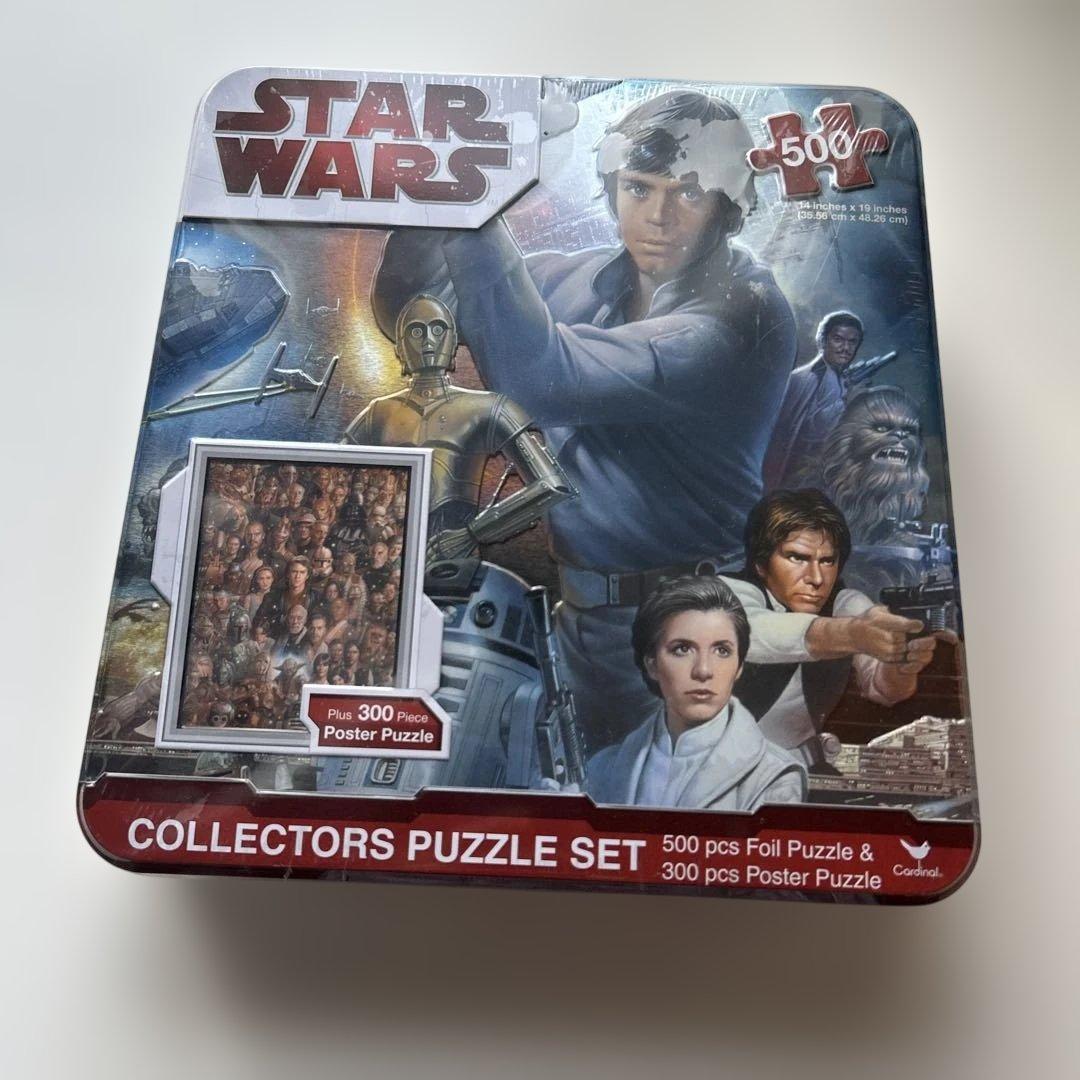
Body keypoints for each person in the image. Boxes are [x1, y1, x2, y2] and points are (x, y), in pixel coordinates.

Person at [372, 89, 795, 748]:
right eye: (638, 187)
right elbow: (414, 312)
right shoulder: (577, 280)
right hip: (580, 621)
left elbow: (541, 380)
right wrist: (446, 183)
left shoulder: (746, 317)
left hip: (691, 627)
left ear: (730, 206)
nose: (656, 216)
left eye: (687, 192)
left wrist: (476, 188)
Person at [724, 489, 946, 771]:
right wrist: (853, 634)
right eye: (797, 558)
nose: (816, 578)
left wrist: (901, 664)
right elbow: (753, 632)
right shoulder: (726, 594)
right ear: (760, 563)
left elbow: (884, 689)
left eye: (827, 561)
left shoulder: (846, 604)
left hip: (795, 771)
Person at [585, 575, 806, 810]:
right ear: (652, 663)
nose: (703, 671)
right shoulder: (603, 768)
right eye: (682, 649)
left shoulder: (775, 776)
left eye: (722, 651)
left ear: (739, 666)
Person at [763, 311, 865, 490]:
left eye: (852, 342)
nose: (845, 348)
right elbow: (804, 430)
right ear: (823, 341)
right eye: (838, 339)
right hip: (795, 477)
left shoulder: (841, 379)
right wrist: (846, 402)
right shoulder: (807, 378)